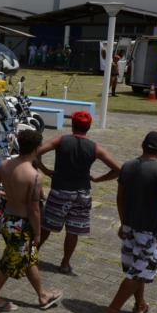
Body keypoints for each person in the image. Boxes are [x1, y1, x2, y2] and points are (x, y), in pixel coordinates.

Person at [102, 131, 157, 313]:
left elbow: (120, 198)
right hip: (151, 231)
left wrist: (123, 222)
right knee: (138, 273)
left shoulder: (128, 166)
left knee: (137, 268)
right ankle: (113, 311)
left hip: (130, 227)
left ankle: (139, 304)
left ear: (143, 145)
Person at [0, 129, 63, 312]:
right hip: (21, 225)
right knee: (9, 262)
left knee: (28, 258)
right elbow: (34, 209)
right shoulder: (34, 176)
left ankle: (43, 295)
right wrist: (37, 233)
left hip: (8, 219)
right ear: (37, 148)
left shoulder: (5, 165)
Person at [36, 111, 121, 274]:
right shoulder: (95, 147)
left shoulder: (61, 140)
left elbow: (37, 152)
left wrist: (45, 170)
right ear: (88, 127)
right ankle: (65, 263)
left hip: (60, 191)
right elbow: (118, 169)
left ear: (73, 124)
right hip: (82, 193)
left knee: (46, 227)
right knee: (73, 231)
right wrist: (98, 179)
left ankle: (31, 255)